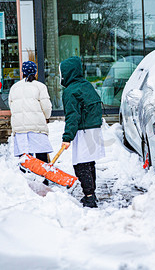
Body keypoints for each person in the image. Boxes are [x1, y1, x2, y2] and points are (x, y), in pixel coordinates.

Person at [60, 56, 105, 208]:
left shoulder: (70, 91)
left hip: (83, 131)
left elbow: (72, 116)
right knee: (89, 162)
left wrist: (67, 137)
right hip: (94, 128)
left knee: (81, 164)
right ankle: (91, 194)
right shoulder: (86, 85)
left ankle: (90, 197)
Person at [9, 61, 53, 165]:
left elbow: (12, 106)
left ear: (22, 72)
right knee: (41, 156)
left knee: (25, 159)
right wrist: (46, 117)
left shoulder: (14, 87)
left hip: (20, 128)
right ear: (35, 72)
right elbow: (46, 107)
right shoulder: (40, 86)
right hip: (36, 127)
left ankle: (25, 179)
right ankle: (43, 179)